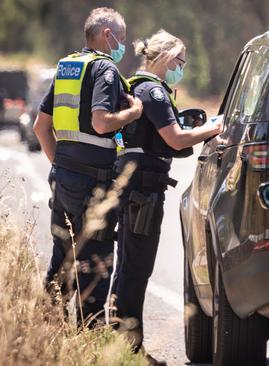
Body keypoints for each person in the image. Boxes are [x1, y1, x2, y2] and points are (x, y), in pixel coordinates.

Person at [112, 30, 222, 359]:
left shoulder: (136, 85)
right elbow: (175, 139)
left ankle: (121, 343)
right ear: (164, 58)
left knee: (129, 265)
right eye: (179, 61)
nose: (180, 67)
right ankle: (129, 348)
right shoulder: (154, 92)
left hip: (134, 186)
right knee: (137, 267)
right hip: (143, 190)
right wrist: (213, 128)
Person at [32, 7, 143, 326]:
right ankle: (90, 338)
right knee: (95, 263)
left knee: (63, 258)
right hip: (92, 184)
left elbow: (42, 127)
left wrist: (62, 167)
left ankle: (47, 331)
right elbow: (101, 121)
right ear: (107, 36)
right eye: (121, 38)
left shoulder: (68, 66)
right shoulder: (104, 70)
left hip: (64, 178)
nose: (122, 45)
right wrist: (132, 114)